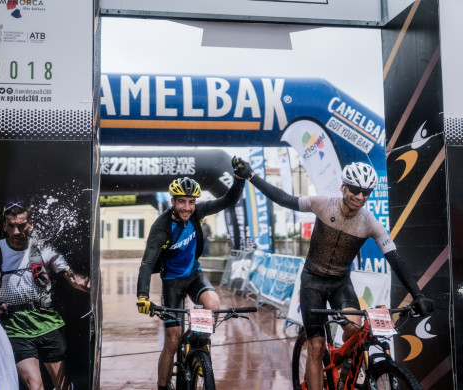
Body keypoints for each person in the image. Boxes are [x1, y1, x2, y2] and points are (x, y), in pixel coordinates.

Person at [231, 157, 435, 390]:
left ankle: (346, 375)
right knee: (316, 347)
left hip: (340, 283)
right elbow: (285, 199)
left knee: (355, 330)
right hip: (312, 281)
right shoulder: (322, 204)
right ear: (343, 187)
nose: (360, 197)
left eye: (366, 192)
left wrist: (417, 295)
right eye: (356, 190)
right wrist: (251, 176)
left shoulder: (369, 223)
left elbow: (394, 258)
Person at [0, 201, 90, 390]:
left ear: (31, 224)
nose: (16, 232)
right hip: (14, 328)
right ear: (4, 226)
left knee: (62, 387)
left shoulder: (43, 249)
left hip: (48, 325)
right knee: (35, 386)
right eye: (11, 226)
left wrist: (84, 284)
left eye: (21, 225)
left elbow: (72, 277)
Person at [135, 176, 245, 390]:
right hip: (171, 281)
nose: (187, 207)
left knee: (213, 305)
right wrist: (142, 296)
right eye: (182, 201)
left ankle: (198, 345)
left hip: (194, 275)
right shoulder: (162, 227)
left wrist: (239, 180)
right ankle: (163, 386)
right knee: (173, 339)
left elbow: (228, 200)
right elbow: (147, 263)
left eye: (191, 202)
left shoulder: (198, 213)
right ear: (173, 201)